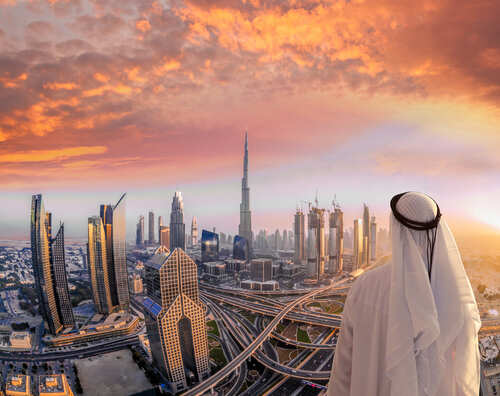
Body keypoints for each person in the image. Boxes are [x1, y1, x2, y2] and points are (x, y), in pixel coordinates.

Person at [328, 192, 481, 396]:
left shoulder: (364, 286)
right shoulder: (454, 293)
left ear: (395, 230)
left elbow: (343, 370)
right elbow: (464, 375)